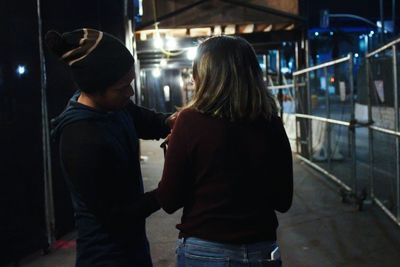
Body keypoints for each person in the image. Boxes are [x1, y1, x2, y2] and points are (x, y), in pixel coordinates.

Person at [155, 36, 293, 266]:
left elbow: (169, 200)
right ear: (252, 75)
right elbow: (283, 200)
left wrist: (173, 152)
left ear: (204, 76)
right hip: (262, 251)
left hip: (205, 250)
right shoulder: (270, 123)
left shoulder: (189, 122)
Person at [47, 28, 174, 267]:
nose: (131, 92)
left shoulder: (113, 106)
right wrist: (167, 192)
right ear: (96, 88)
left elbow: (142, 119)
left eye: (130, 83)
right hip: (105, 257)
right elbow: (117, 215)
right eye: (122, 87)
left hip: (133, 249)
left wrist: (170, 121)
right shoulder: (81, 139)